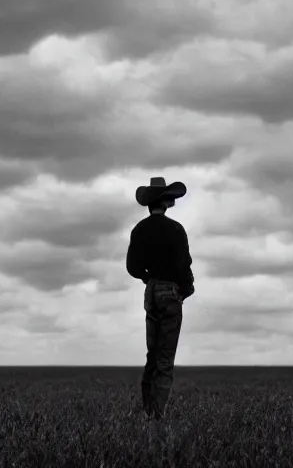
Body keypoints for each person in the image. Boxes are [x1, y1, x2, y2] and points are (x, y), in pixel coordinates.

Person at [125, 176, 194, 421]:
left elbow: (132, 266)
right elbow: (185, 265)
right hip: (169, 292)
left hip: (151, 291)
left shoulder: (139, 230)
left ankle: (148, 411)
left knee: (152, 355)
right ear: (165, 201)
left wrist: (147, 278)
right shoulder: (176, 229)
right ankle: (157, 417)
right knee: (165, 358)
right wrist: (185, 290)